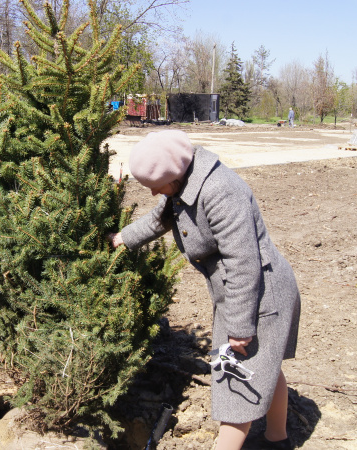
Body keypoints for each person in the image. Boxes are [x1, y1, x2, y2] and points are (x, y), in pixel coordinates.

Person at [108, 130, 301, 450]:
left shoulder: (221, 191)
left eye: (155, 184)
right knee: (265, 366)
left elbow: (243, 263)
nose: (154, 192)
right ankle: (277, 439)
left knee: (236, 382)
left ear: (174, 173)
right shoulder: (185, 184)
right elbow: (160, 219)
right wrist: (122, 239)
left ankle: (266, 439)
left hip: (259, 296)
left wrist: (240, 328)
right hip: (240, 294)